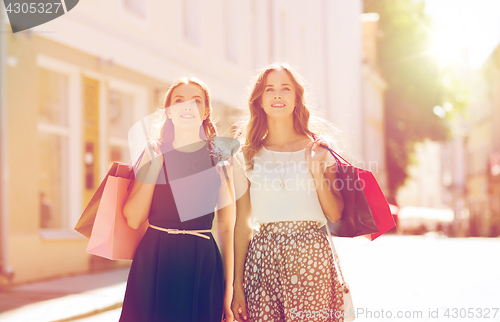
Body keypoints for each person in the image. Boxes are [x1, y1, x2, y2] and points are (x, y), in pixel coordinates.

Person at [231, 63, 345, 322]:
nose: (278, 95)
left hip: (311, 258)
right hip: (263, 261)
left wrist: (316, 172)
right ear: (259, 100)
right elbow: (242, 225)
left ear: (297, 99)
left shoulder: (319, 149)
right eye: (270, 89)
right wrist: (237, 286)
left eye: (286, 89)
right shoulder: (246, 155)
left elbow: (335, 213)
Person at [119, 77, 235, 322]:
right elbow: (133, 218)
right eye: (179, 100)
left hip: (201, 260)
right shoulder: (153, 151)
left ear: (205, 112)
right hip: (154, 258)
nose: (187, 106)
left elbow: (227, 227)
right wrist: (155, 165)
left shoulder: (220, 158)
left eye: (196, 101)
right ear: (169, 112)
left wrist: (230, 288)